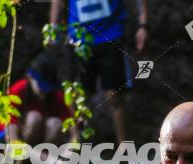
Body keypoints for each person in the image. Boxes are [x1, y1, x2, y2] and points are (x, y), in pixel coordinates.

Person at [49, 0, 149, 154]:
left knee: (115, 95)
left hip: (111, 35)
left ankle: (124, 150)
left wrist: (143, 25)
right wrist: (53, 25)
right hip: (78, 38)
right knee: (77, 95)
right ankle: (76, 144)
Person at [0, 52, 74, 164]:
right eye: (42, 84)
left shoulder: (56, 95)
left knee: (55, 123)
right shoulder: (16, 92)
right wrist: (50, 160)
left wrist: (65, 159)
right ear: (29, 77)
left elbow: (74, 135)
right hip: (12, 143)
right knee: (34, 118)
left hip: (42, 145)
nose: (46, 91)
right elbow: (13, 143)